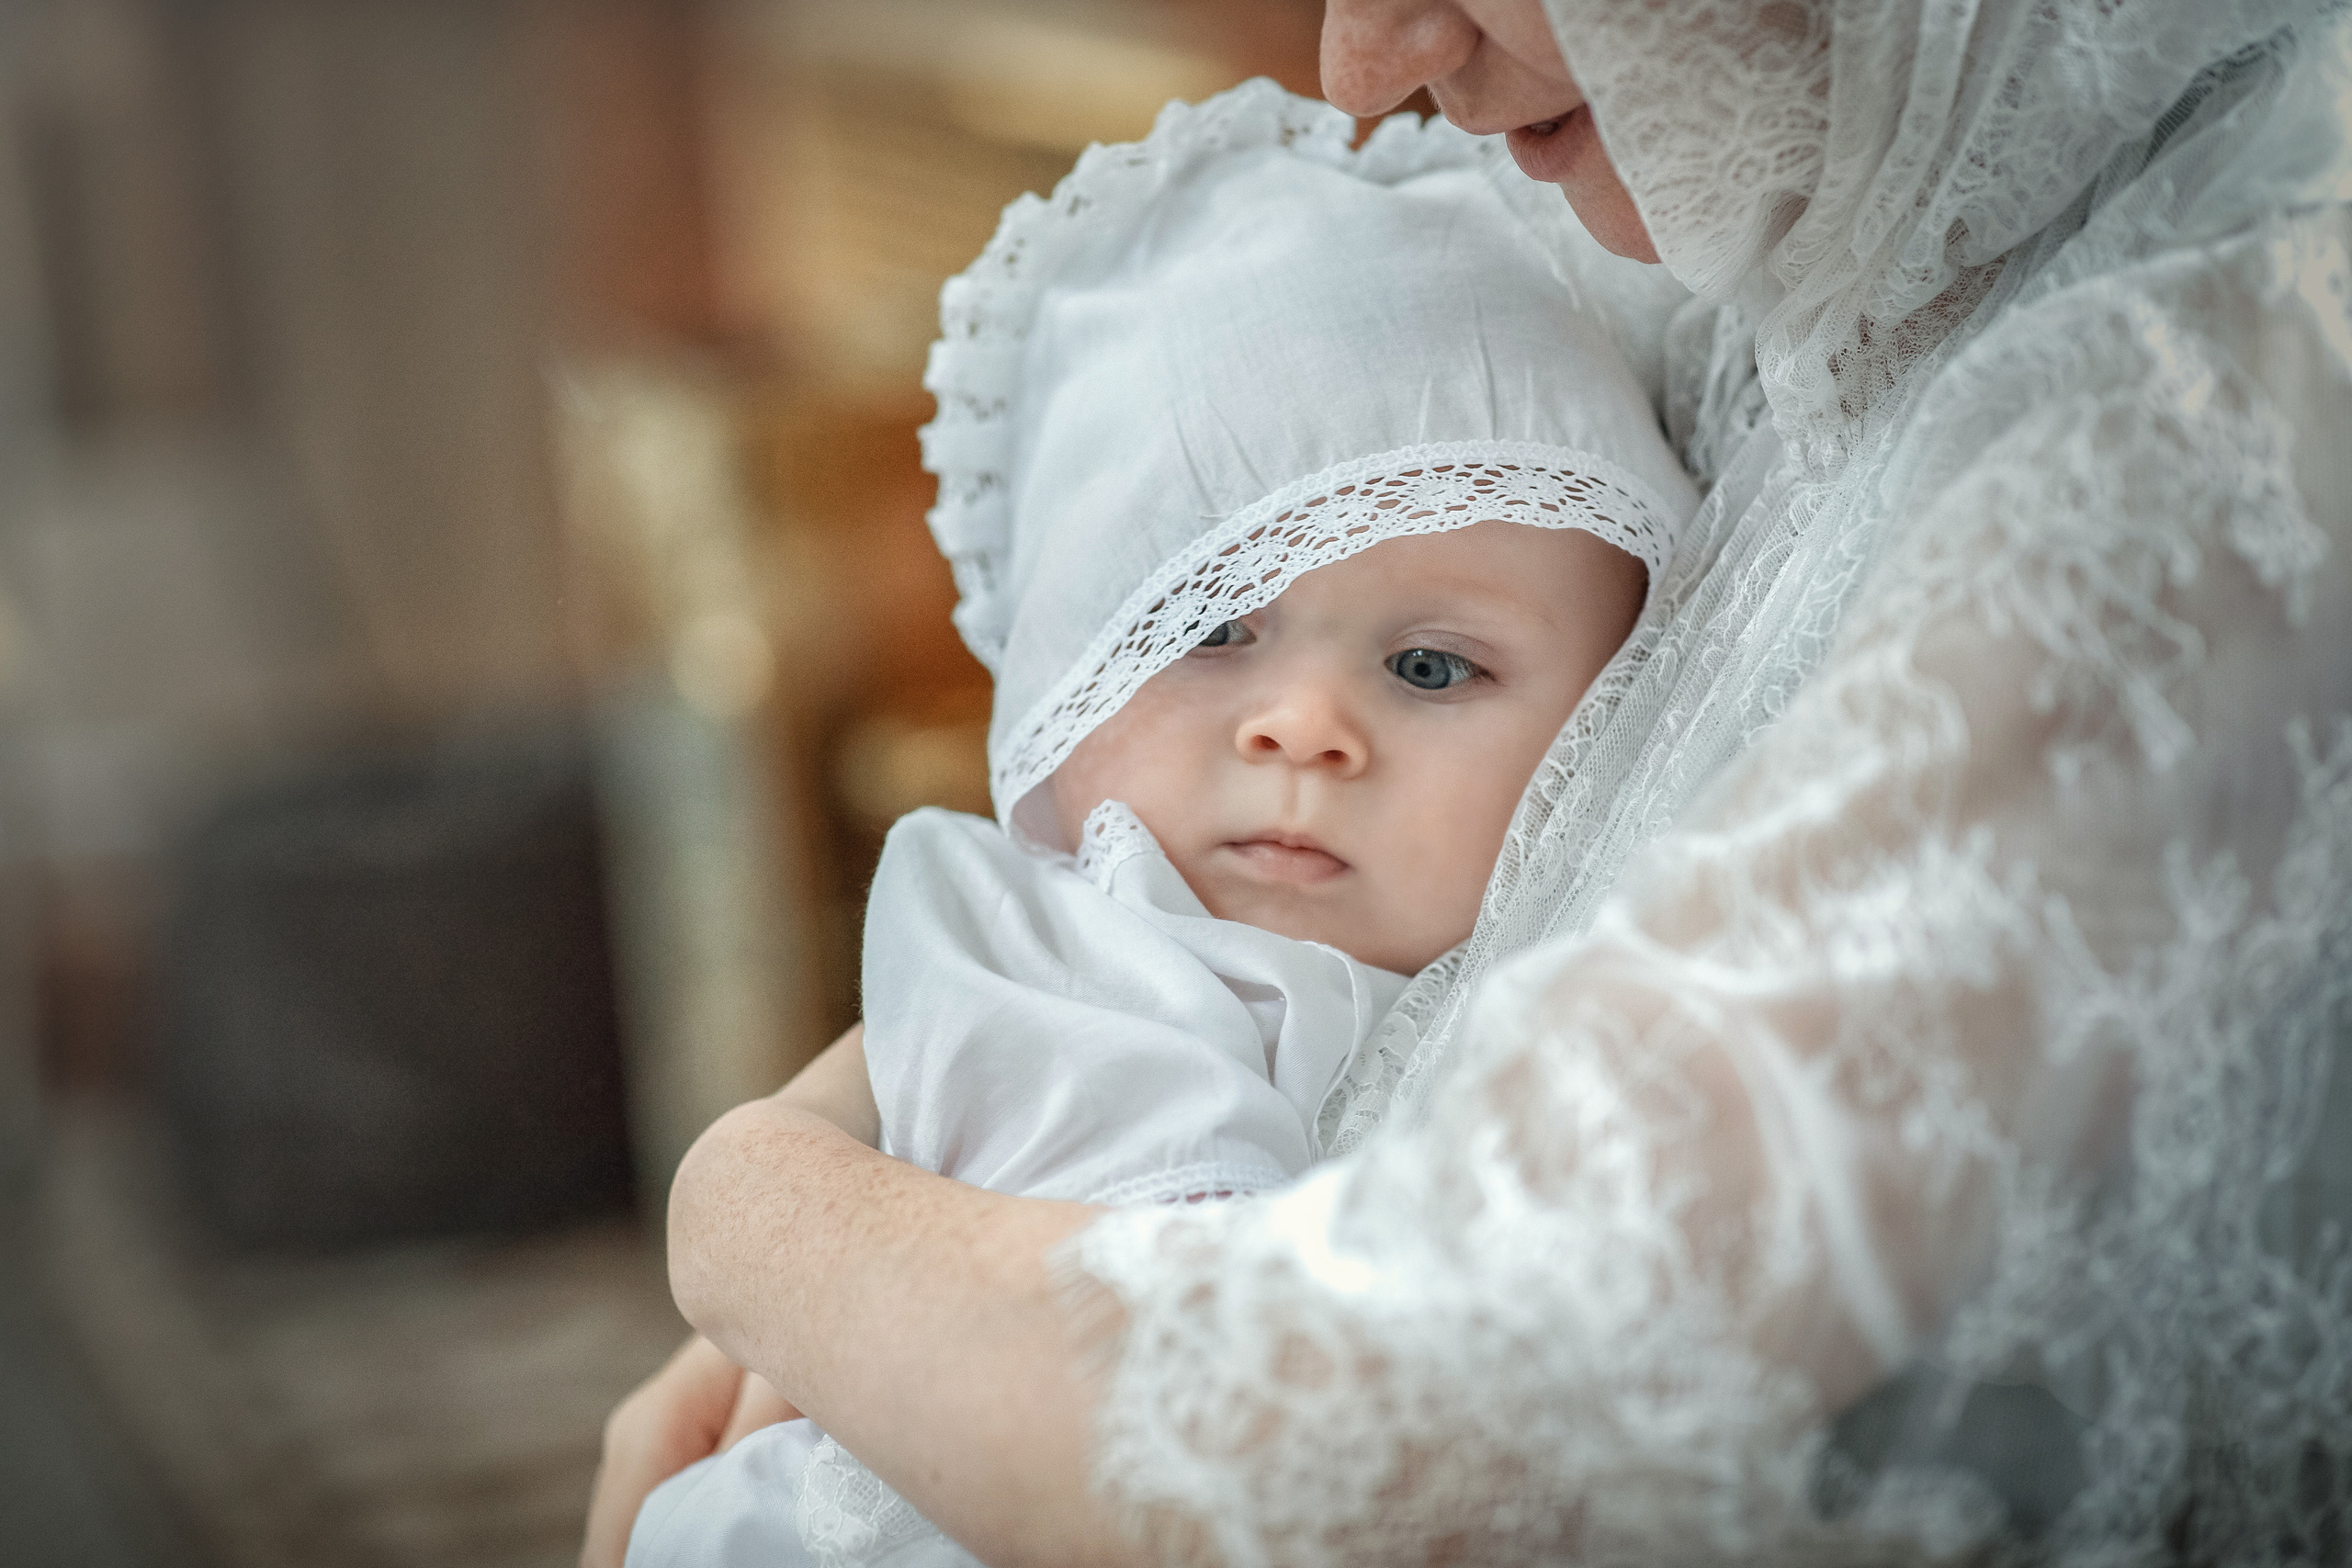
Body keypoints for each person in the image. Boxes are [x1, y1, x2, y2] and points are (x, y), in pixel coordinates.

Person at [587, 3, 2352, 1562]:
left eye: (1428, 670)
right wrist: (893, 1126)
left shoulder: (2189, 445)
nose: (1370, 62)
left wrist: (750, 1205)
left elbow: (1319, 1455)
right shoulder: (1789, 232)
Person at [621, 79, 1697, 1568]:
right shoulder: (1035, 935)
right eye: (1210, 627)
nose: (1303, 726)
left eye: (1432, 665)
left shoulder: (1580, 1012)